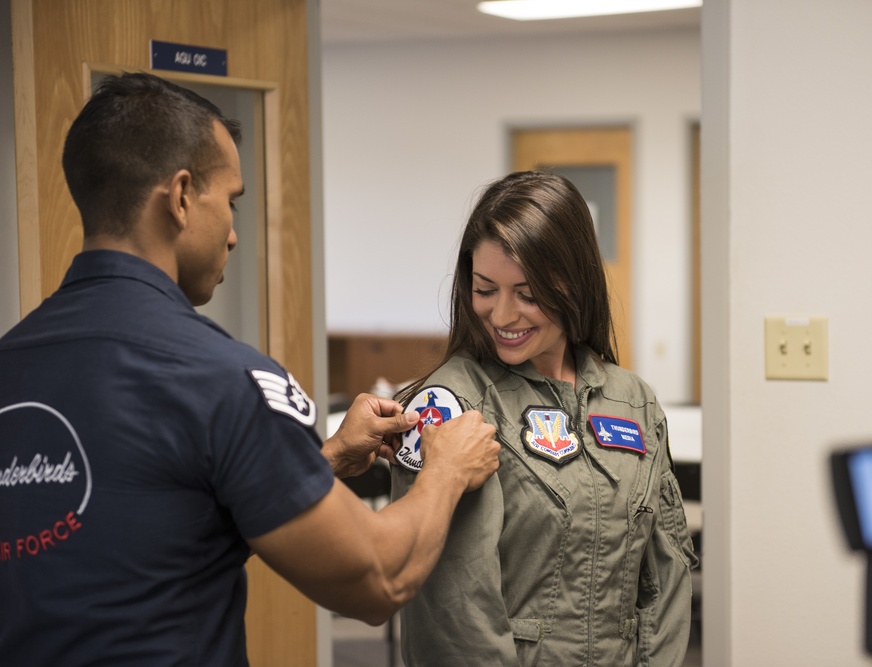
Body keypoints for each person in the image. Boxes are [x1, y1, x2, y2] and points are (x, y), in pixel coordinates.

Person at [0, 72, 500, 666]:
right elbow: (378, 580)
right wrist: (445, 469)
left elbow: (161, 525)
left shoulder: (15, 358)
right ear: (181, 197)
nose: (235, 235)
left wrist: (330, 459)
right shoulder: (222, 379)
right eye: (230, 201)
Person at [390, 171, 697, 666]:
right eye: (485, 289)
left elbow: (668, 572)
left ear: (575, 284)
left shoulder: (631, 400)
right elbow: (454, 609)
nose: (503, 316)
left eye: (527, 294)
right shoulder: (451, 406)